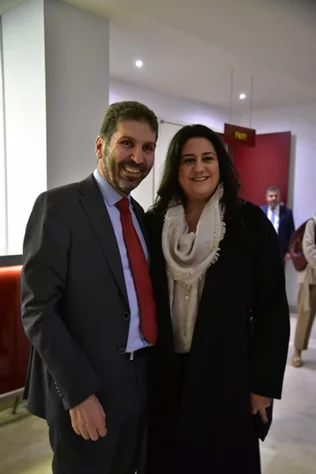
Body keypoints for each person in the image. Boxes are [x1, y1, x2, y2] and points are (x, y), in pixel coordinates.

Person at [21, 100, 159, 474]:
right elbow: (38, 309)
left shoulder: (142, 218)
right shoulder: (58, 206)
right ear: (101, 146)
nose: (138, 157)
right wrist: (78, 393)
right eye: (127, 143)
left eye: (148, 148)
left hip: (141, 384)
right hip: (88, 389)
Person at [144, 125, 290, 474]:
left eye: (207, 158)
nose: (199, 168)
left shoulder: (248, 223)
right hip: (165, 375)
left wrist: (262, 386)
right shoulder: (153, 224)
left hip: (227, 376)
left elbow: (272, 308)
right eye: (188, 160)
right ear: (175, 168)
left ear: (221, 164)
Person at [292, 214, 316, 368]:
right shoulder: (313, 222)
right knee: (305, 315)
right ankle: (297, 352)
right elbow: (308, 248)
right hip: (311, 275)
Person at [261, 185, 295, 262]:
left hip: (280, 253)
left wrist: (289, 251)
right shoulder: (260, 211)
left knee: (278, 274)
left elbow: (291, 233)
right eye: (271, 196)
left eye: (276, 196)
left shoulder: (287, 213)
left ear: (279, 198)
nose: (274, 198)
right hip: (263, 251)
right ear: (266, 197)